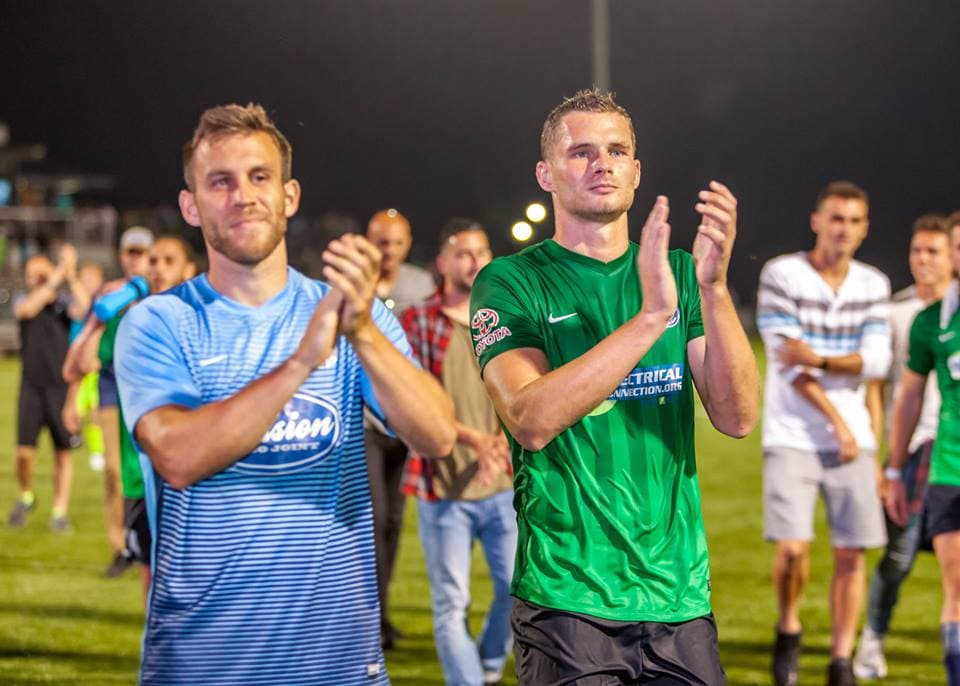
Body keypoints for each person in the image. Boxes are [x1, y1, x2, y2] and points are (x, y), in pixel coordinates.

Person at [114, 103, 455, 684]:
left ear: (289, 196)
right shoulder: (158, 322)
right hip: (201, 665)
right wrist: (302, 361)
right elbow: (178, 457)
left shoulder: (355, 312)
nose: (242, 195)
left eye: (259, 177)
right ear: (190, 206)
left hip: (341, 666)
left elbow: (437, 434)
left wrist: (362, 333)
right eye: (220, 181)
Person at [470, 89, 759, 685]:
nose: (601, 163)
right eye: (581, 152)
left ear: (636, 171)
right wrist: (651, 318)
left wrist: (715, 289)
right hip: (568, 599)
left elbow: (737, 417)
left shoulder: (684, 274)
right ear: (545, 174)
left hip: (679, 598)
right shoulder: (511, 281)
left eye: (616, 150)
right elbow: (529, 417)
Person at [757, 181, 891, 686]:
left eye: (855, 221)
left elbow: (876, 362)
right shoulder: (782, 273)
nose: (845, 230)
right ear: (816, 221)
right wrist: (836, 415)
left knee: (851, 553)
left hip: (856, 437)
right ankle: (789, 627)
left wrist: (820, 357)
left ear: (865, 228)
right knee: (792, 549)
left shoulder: (872, 283)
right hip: (793, 431)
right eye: (836, 218)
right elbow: (786, 362)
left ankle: (840, 659)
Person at [401, 218, 516, 686]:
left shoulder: (506, 318)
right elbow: (412, 404)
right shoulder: (417, 321)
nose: (474, 262)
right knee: (451, 602)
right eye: (463, 253)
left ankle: (489, 662)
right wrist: (476, 441)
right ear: (443, 262)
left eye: (481, 252)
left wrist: (503, 443)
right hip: (442, 487)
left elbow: (526, 393)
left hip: (502, 484)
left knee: (516, 587)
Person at [854, 214, 953, 679]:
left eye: (934, 251)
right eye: (918, 250)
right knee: (899, 555)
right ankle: (871, 639)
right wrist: (883, 461)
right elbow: (880, 387)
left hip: (949, 446)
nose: (924, 260)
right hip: (914, 448)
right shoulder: (899, 313)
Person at [885, 210, 960, 686]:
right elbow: (909, 397)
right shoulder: (932, 321)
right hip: (950, 472)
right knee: (957, 589)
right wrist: (894, 472)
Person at [364, 207, 435, 647]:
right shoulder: (354, 282)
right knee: (370, 520)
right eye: (380, 241)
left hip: (406, 421)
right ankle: (367, 615)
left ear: (407, 244)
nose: (387, 250)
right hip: (365, 419)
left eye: (395, 242)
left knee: (392, 521)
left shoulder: (420, 285)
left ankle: (381, 614)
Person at [9, 243, 89, 530]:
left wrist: (70, 274)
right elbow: (29, 309)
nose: (38, 278)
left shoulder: (63, 304)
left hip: (59, 388)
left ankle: (59, 510)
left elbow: (85, 308)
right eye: (33, 274)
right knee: (23, 453)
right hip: (31, 387)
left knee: (62, 453)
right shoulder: (23, 299)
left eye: (40, 273)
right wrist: (55, 275)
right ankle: (27, 495)